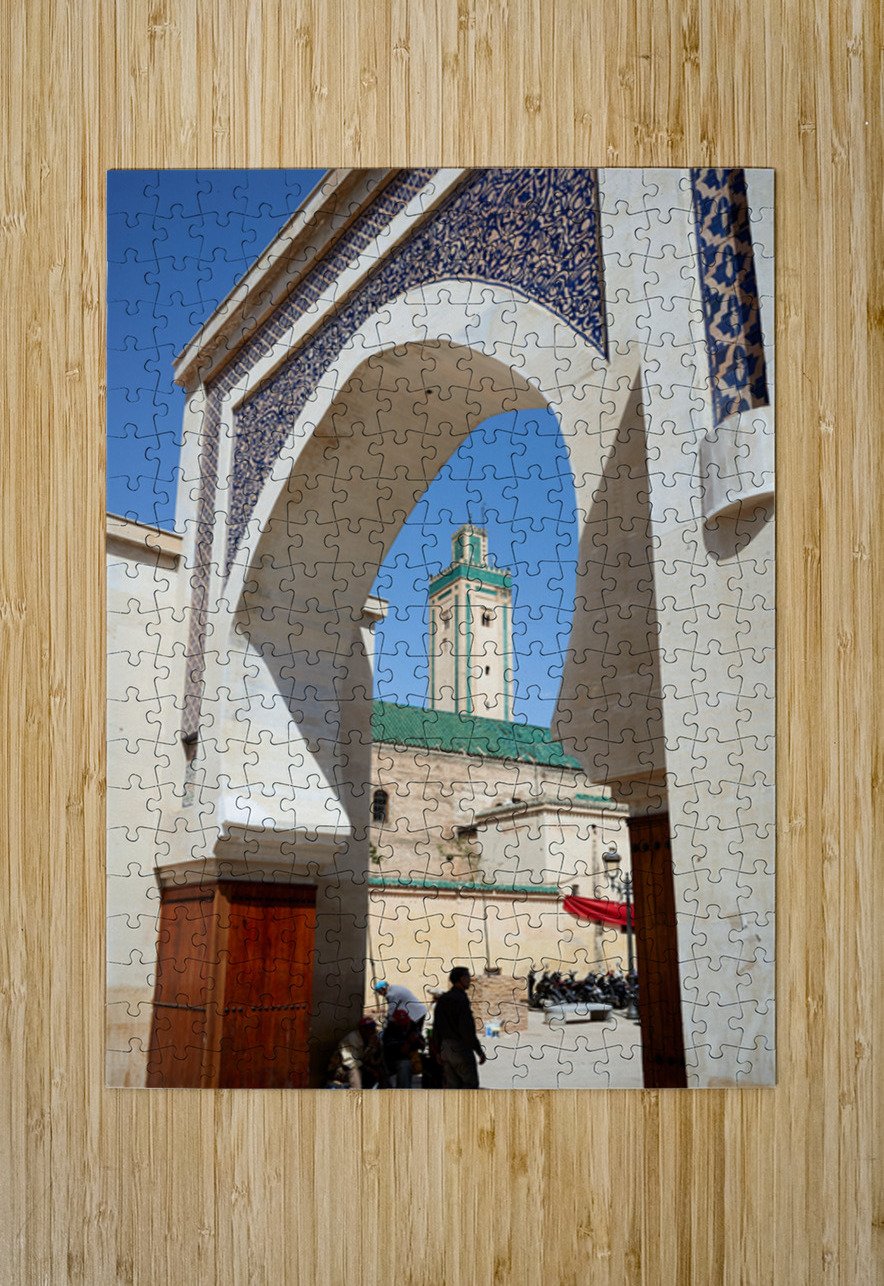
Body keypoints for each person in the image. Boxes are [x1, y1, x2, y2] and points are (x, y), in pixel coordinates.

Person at [431, 967, 486, 1089]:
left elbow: (437, 1027)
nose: (470, 980)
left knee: (452, 1088)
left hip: (445, 1049)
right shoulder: (461, 999)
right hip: (460, 1048)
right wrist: (478, 1050)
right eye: (468, 977)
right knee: (470, 1086)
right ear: (462, 979)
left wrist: (438, 1051)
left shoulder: (443, 999)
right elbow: (466, 1029)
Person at [327, 1017, 388, 1089]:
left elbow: (373, 1061)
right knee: (355, 1072)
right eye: (369, 1029)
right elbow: (350, 1062)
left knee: (379, 1071)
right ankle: (356, 1093)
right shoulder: (351, 1039)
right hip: (340, 1069)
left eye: (373, 1028)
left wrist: (378, 1047)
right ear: (362, 1030)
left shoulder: (370, 1039)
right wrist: (368, 1069)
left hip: (360, 1067)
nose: (372, 1031)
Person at [381, 1007, 425, 1088]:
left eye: (407, 1023)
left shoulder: (412, 1026)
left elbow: (423, 1046)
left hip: (413, 1057)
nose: (406, 1026)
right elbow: (400, 1052)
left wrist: (418, 1040)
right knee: (404, 1065)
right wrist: (409, 1041)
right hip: (395, 1059)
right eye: (403, 1024)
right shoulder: (390, 1032)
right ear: (396, 1023)